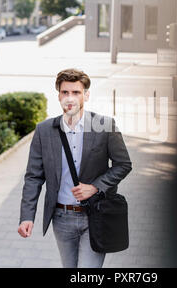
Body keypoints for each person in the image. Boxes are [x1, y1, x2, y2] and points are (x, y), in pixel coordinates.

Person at [18, 68, 132, 268]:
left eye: (76, 92)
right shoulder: (44, 130)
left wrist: (95, 186)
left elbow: (123, 164)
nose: (70, 98)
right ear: (59, 95)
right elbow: (33, 177)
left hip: (95, 216)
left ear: (86, 95)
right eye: (65, 92)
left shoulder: (105, 125)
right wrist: (27, 216)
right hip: (61, 219)